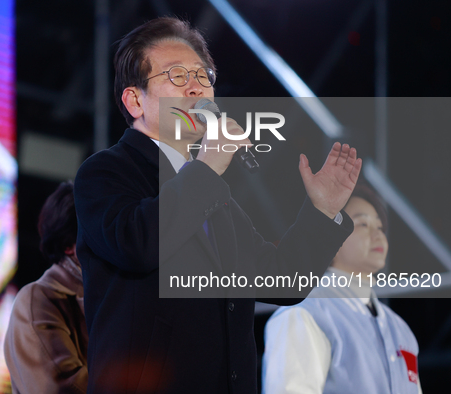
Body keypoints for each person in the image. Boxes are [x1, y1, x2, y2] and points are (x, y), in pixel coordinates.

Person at [74, 17, 362, 393]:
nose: (196, 87)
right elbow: (137, 244)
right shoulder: (107, 172)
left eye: (203, 74)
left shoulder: (214, 196)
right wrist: (207, 168)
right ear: (134, 100)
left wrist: (322, 211)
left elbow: (284, 280)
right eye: (177, 76)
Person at [262, 184, 422, 394]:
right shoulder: (304, 313)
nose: (377, 234)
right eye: (363, 224)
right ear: (330, 237)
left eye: (380, 227)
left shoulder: (400, 329)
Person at [4, 182, 88, 394]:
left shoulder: (115, 298)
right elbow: (63, 388)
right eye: (97, 229)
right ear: (68, 245)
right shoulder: (37, 300)